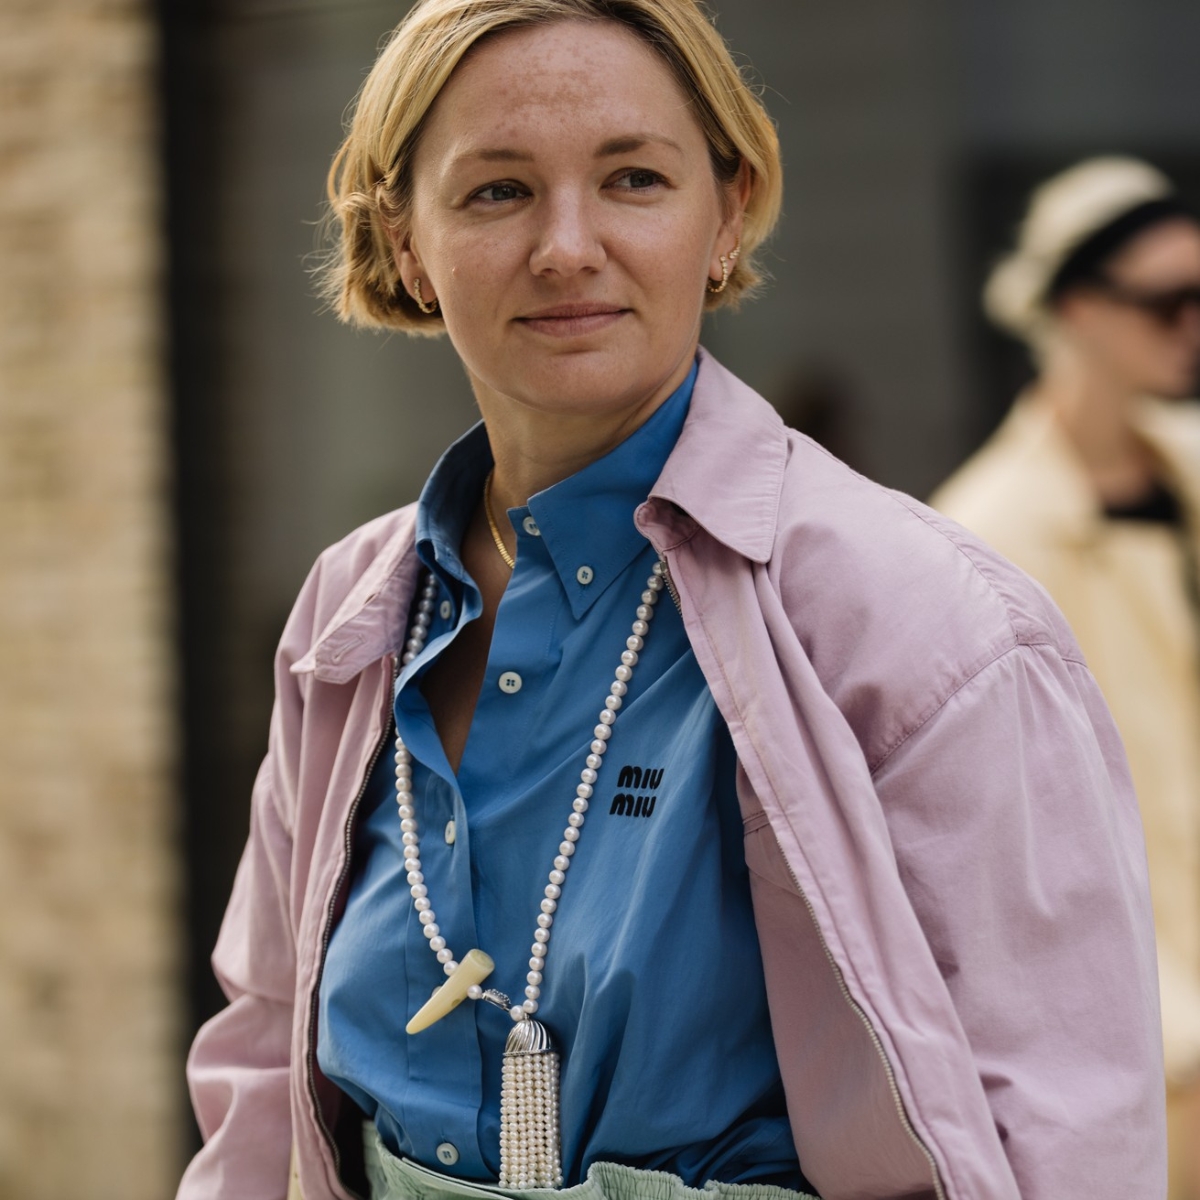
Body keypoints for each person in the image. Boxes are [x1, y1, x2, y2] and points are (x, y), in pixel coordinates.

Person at [177, 7, 1165, 1199]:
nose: (567, 246)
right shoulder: (354, 611)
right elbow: (262, 1057)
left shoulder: (935, 626)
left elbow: (1065, 1137)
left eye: (634, 178)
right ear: (404, 243)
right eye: (496, 192)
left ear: (727, 211)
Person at [932, 155, 1200, 1199]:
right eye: (1170, 301)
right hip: (1141, 1044)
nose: (1193, 328)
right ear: (1079, 307)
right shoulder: (987, 535)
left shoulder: (1186, 472)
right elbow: (1005, 841)